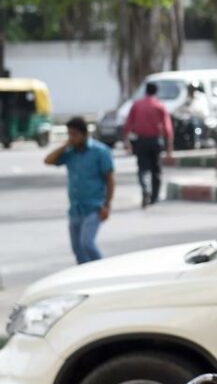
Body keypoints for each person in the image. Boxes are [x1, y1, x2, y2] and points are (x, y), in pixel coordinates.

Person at [44, 117, 115, 264]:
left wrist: (107, 204)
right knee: (78, 250)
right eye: (69, 134)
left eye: (75, 134)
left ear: (84, 134)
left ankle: (104, 270)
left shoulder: (100, 151)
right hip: (75, 209)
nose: (72, 138)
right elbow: (48, 160)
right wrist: (65, 145)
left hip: (94, 207)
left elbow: (110, 179)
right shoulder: (70, 152)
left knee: (87, 243)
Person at [123, 82, 173, 207]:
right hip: (155, 141)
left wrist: (126, 142)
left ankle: (146, 188)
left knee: (142, 168)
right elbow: (168, 129)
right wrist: (169, 149)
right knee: (156, 170)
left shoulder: (137, 105)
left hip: (141, 141)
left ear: (145, 91)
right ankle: (154, 197)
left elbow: (127, 126)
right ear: (156, 92)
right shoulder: (159, 106)